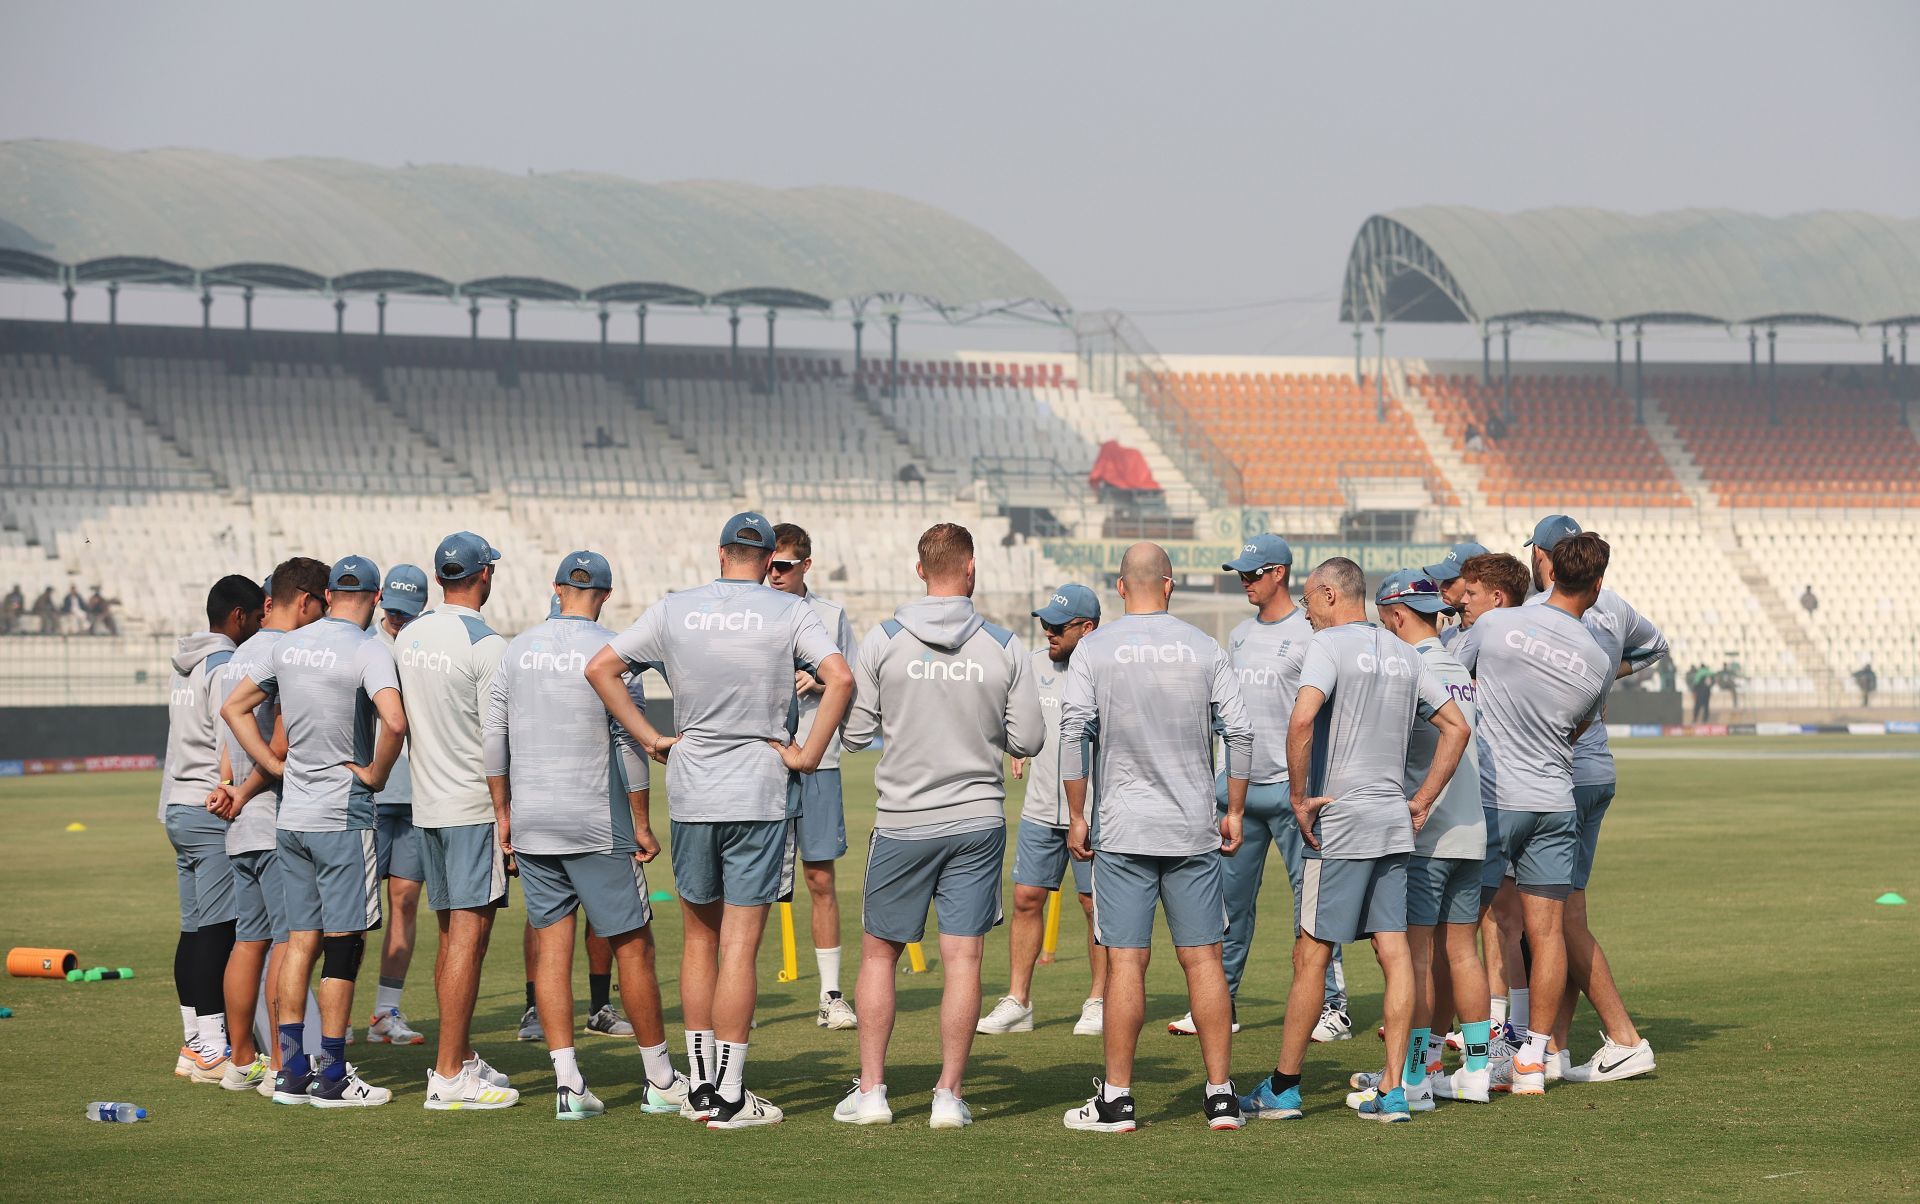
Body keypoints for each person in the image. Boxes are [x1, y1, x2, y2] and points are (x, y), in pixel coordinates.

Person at [586, 511, 852, 1129]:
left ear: (721, 552)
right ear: (768, 561)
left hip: (693, 787)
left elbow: (600, 666)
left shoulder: (675, 608)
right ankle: (732, 1094)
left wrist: (651, 737)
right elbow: (839, 677)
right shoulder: (788, 611)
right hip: (758, 790)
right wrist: (809, 754)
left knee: (700, 939)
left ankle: (701, 1087)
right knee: (740, 944)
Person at [1236, 559, 1468, 1124]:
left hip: (1339, 821)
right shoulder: (1402, 652)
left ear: (1330, 593)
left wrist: (1297, 796)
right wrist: (1421, 801)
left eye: (1312, 601)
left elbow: (1301, 720)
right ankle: (1395, 1091)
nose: (1308, 612)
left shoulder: (1330, 646)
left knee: (1310, 952)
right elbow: (1457, 727)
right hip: (1392, 819)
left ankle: (1285, 1087)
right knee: (1395, 954)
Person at [834, 523, 1045, 1129]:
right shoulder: (1006, 644)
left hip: (903, 819)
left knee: (879, 954)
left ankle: (872, 1091)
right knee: (965, 960)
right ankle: (948, 1097)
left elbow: (853, 733)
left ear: (919, 569)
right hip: (977, 816)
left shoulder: (883, 640)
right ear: (972, 569)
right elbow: (1028, 737)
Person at [487, 550, 690, 1120]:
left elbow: (494, 737)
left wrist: (504, 812)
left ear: (557, 589)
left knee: (551, 950)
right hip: (596, 822)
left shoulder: (516, 649)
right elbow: (629, 744)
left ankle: (568, 1084)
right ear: (605, 593)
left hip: (534, 821)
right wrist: (643, 822)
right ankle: (658, 1079)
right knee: (633, 946)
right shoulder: (615, 651)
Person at [1058, 542, 1252, 1134]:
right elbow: (1240, 732)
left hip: (1122, 827)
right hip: (1191, 825)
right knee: (1204, 963)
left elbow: (1074, 734)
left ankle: (1118, 1100)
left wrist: (1077, 814)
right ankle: (1221, 1096)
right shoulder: (1203, 646)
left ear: (1121, 587)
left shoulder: (1095, 648)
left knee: (1126, 965)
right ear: (1168, 585)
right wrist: (1235, 809)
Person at [222, 555, 406, 1107]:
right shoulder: (370, 648)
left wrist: (274, 767)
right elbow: (394, 722)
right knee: (345, 943)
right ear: (375, 599)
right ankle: (333, 1075)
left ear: (328, 595)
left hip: (292, 817)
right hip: (341, 815)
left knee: (299, 940)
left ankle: (290, 1072)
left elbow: (235, 709)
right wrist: (375, 773)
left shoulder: (289, 646)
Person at [1167, 533, 1348, 1041]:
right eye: (1240, 574)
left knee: (1310, 905)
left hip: (1296, 793)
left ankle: (1335, 1007)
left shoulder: (1312, 632)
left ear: (1279, 574)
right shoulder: (1241, 633)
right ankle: (1220, 1004)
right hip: (1240, 792)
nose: (1244, 582)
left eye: (1251, 573)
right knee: (1228, 906)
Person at [1450, 533, 1612, 1096]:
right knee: (1547, 936)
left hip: (1495, 799)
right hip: (1554, 800)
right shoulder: (1598, 658)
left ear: (1547, 573)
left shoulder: (1494, 626)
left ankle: (1475, 1063)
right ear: (1595, 586)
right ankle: (1532, 1061)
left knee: (1460, 932)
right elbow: (1580, 727)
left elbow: (1448, 685)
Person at [1525, 516, 1665, 1084]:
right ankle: (1554, 1045)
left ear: (1546, 558)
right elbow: (1655, 647)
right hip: (1596, 766)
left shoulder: (1536, 614)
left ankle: (1625, 1037)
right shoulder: (1616, 608)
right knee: (1558, 913)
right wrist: (1607, 678)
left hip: (1555, 772)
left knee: (1555, 918)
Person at [396, 531, 519, 1110]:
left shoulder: (410, 634)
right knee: (468, 935)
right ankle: (448, 1074)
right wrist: (504, 810)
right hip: (472, 806)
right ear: (484, 575)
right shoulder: (487, 643)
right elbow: (497, 737)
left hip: (429, 805)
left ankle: (460, 1055)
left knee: (452, 934)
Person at [1366, 568, 1492, 1106]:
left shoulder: (1405, 670)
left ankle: (1415, 1077)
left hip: (1425, 834)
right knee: (1463, 953)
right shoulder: (1459, 668)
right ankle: (1478, 1071)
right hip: (1472, 829)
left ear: (1397, 615)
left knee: (1415, 960)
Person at [207, 559, 328, 1094]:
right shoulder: (284, 654)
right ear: (302, 601)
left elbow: (226, 752)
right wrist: (262, 782)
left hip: (239, 823)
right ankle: (283, 1061)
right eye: (322, 606)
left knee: (248, 942)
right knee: (288, 941)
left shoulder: (233, 659)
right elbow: (280, 743)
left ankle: (241, 1058)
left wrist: (232, 792)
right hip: (275, 816)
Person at [979, 583, 1107, 1038]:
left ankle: (1099, 999)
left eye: (1058, 625)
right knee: (1026, 899)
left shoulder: (1106, 670)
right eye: (1045, 623)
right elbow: (1016, 719)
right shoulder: (1033, 665)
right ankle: (1018, 1000)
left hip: (1094, 812)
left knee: (1094, 905)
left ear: (1087, 628)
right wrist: (1019, 745)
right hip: (1039, 810)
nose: (1047, 631)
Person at [162, 574, 265, 1083]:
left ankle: (195, 1043)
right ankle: (211, 1047)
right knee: (218, 932)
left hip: (178, 808)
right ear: (240, 617)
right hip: (210, 808)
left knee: (192, 929)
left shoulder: (185, 663)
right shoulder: (224, 666)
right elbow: (230, 744)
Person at [768, 523, 861, 1031]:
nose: (774, 573)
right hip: (763, 761)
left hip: (818, 758)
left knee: (820, 879)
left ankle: (831, 994)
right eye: (770, 564)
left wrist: (820, 677)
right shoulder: (752, 612)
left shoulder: (830, 615)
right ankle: (743, 996)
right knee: (752, 884)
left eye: (783, 565)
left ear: (806, 564)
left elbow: (847, 680)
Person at [366, 563, 430, 1047]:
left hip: (414, 796)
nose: (398, 622)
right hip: (367, 794)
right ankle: (332, 1014)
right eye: (392, 612)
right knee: (349, 912)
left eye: (407, 615)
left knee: (405, 901)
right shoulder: (361, 643)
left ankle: (386, 1011)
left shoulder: (427, 646)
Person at [1421, 541, 1489, 648]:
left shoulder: (1491, 638)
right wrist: (1432, 634)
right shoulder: (1444, 634)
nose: (1442, 588)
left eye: (1450, 581)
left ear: (1474, 582)